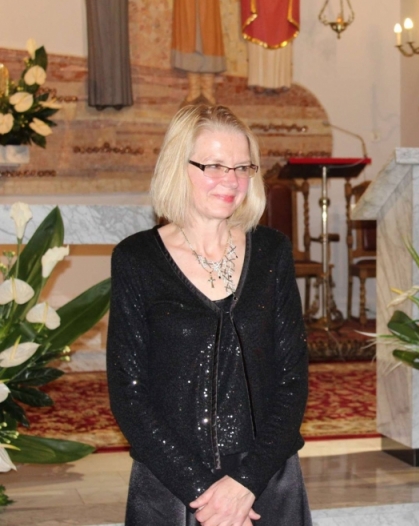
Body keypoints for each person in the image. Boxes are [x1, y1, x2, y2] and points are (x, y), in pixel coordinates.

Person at [108, 105, 312, 525]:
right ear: (177, 166)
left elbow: (293, 379)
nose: (231, 180)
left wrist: (245, 483)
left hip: (265, 481)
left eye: (242, 167)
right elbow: (129, 394)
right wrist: (203, 492)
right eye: (214, 165)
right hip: (172, 486)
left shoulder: (272, 251)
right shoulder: (136, 258)